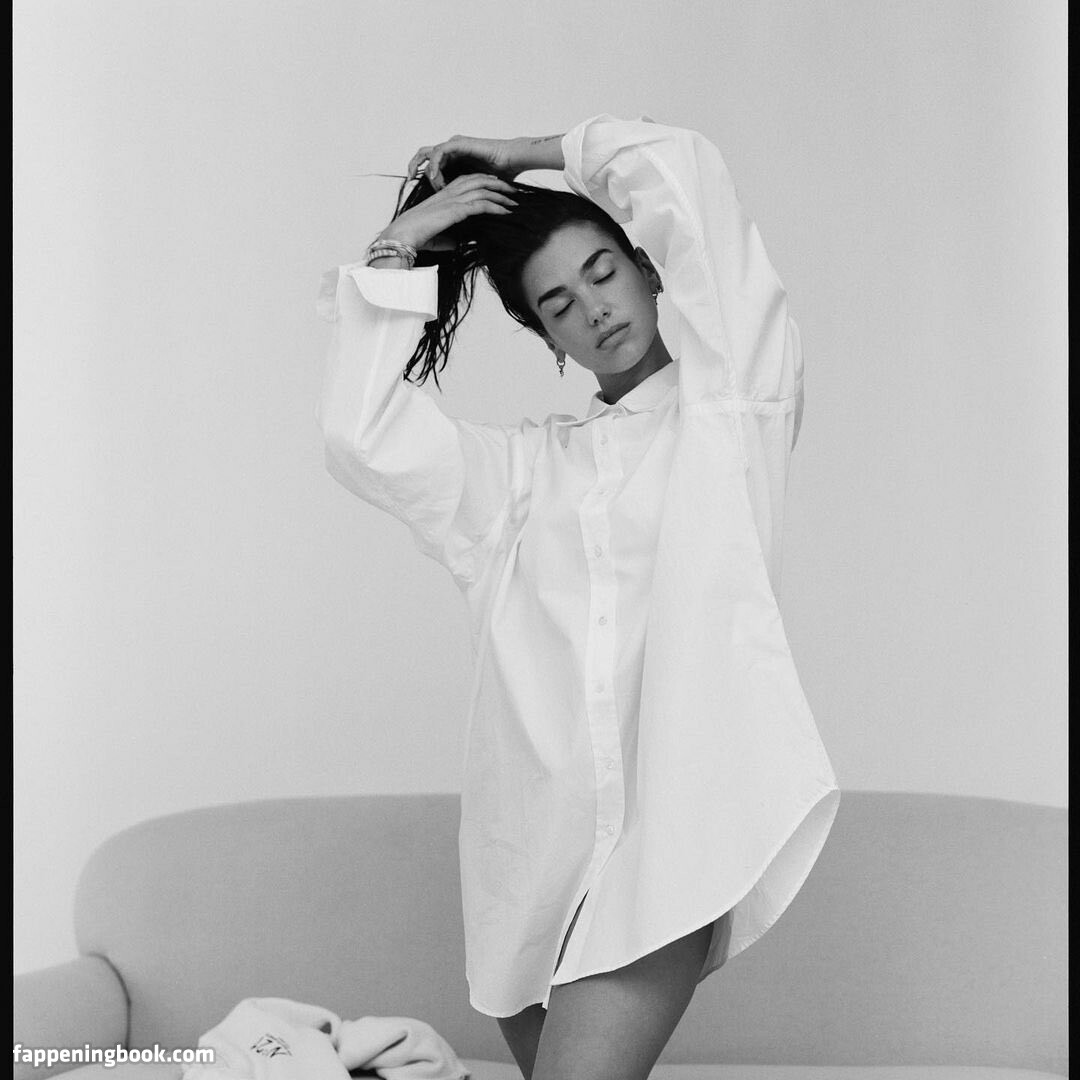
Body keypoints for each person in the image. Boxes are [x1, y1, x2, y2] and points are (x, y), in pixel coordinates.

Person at [316, 114, 840, 1080]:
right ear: (544, 335)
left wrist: (521, 156)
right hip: (531, 867)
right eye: (559, 304)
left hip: (667, 848)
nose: (594, 309)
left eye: (603, 273)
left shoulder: (732, 417)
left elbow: (686, 174)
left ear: (647, 268)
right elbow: (364, 436)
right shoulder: (518, 481)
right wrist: (399, 249)